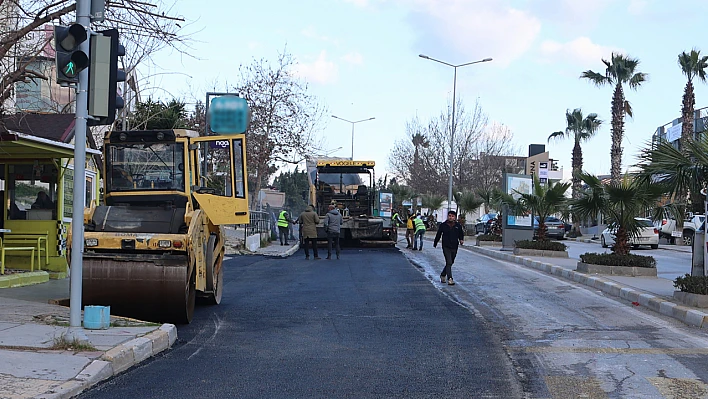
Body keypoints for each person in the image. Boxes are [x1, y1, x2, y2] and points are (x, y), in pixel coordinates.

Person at [433, 210, 465, 286]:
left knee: (451, 262)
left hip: (454, 246)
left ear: (455, 217)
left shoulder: (458, 226)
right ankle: (450, 278)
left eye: (452, 216)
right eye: (449, 216)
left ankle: (443, 274)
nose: (451, 217)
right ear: (447, 216)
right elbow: (439, 234)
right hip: (446, 246)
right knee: (449, 262)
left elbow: (461, 234)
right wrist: (435, 242)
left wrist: (461, 239)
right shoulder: (443, 225)